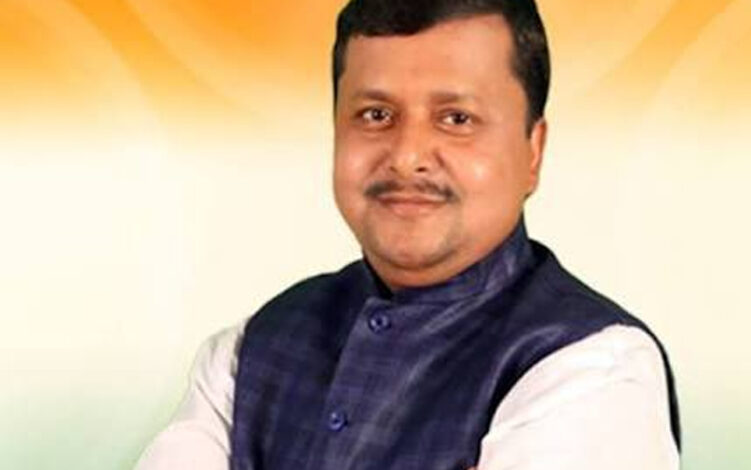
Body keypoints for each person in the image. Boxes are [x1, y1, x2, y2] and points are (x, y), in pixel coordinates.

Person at [135, 1, 681, 469]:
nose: (407, 156)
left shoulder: (594, 366)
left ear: (532, 151)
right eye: (375, 114)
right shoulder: (248, 351)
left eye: (456, 118)